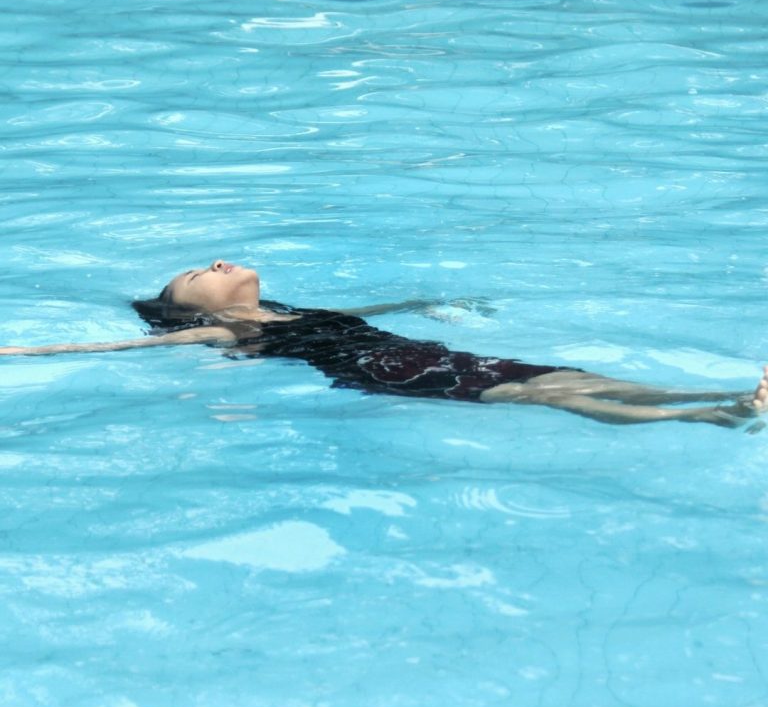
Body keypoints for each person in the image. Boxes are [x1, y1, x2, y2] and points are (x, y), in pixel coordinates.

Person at [1, 259, 766, 428]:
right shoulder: (223, 330)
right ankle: (714, 410)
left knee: (567, 374)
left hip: (414, 348)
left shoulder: (292, 307)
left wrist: (423, 301)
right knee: (546, 394)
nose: (219, 263)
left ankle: (711, 396)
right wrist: (22, 356)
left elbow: (365, 306)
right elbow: (105, 350)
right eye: (199, 271)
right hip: (384, 371)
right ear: (183, 308)